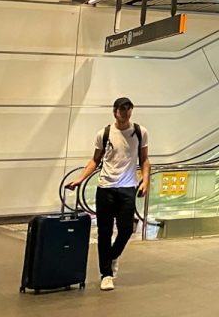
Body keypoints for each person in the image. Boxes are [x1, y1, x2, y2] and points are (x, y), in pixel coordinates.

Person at [66, 96, 149, 292]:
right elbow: (95, 160)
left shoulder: (140, 132)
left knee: (127, 229)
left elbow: (145, 160)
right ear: (115, 112)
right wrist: (80, 179)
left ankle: (112, 257)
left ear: (131, 110)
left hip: (127, 188)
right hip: (105, 188)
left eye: (128, 108)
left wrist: (145, 181)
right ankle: (106, 274)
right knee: (104, 232)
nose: (124, 112)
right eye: (121, 109)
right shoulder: (103, 133)